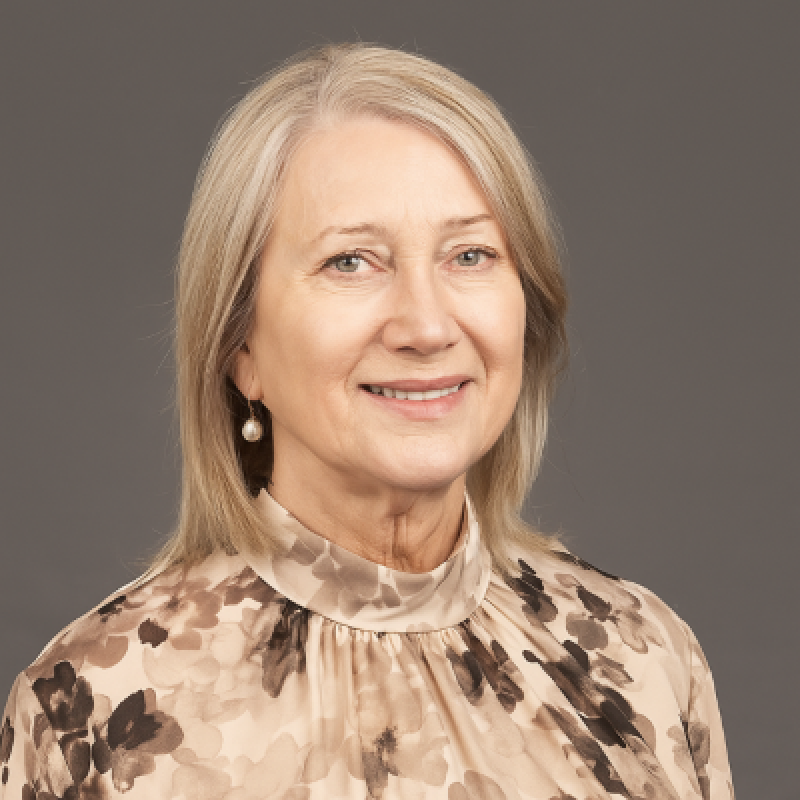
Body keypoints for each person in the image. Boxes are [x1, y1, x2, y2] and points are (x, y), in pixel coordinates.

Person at [0, 42, 734, 799]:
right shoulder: (94, 710)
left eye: (471, 254)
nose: (425, 325)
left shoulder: (644, 660)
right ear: (240, 346)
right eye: (352, 261)